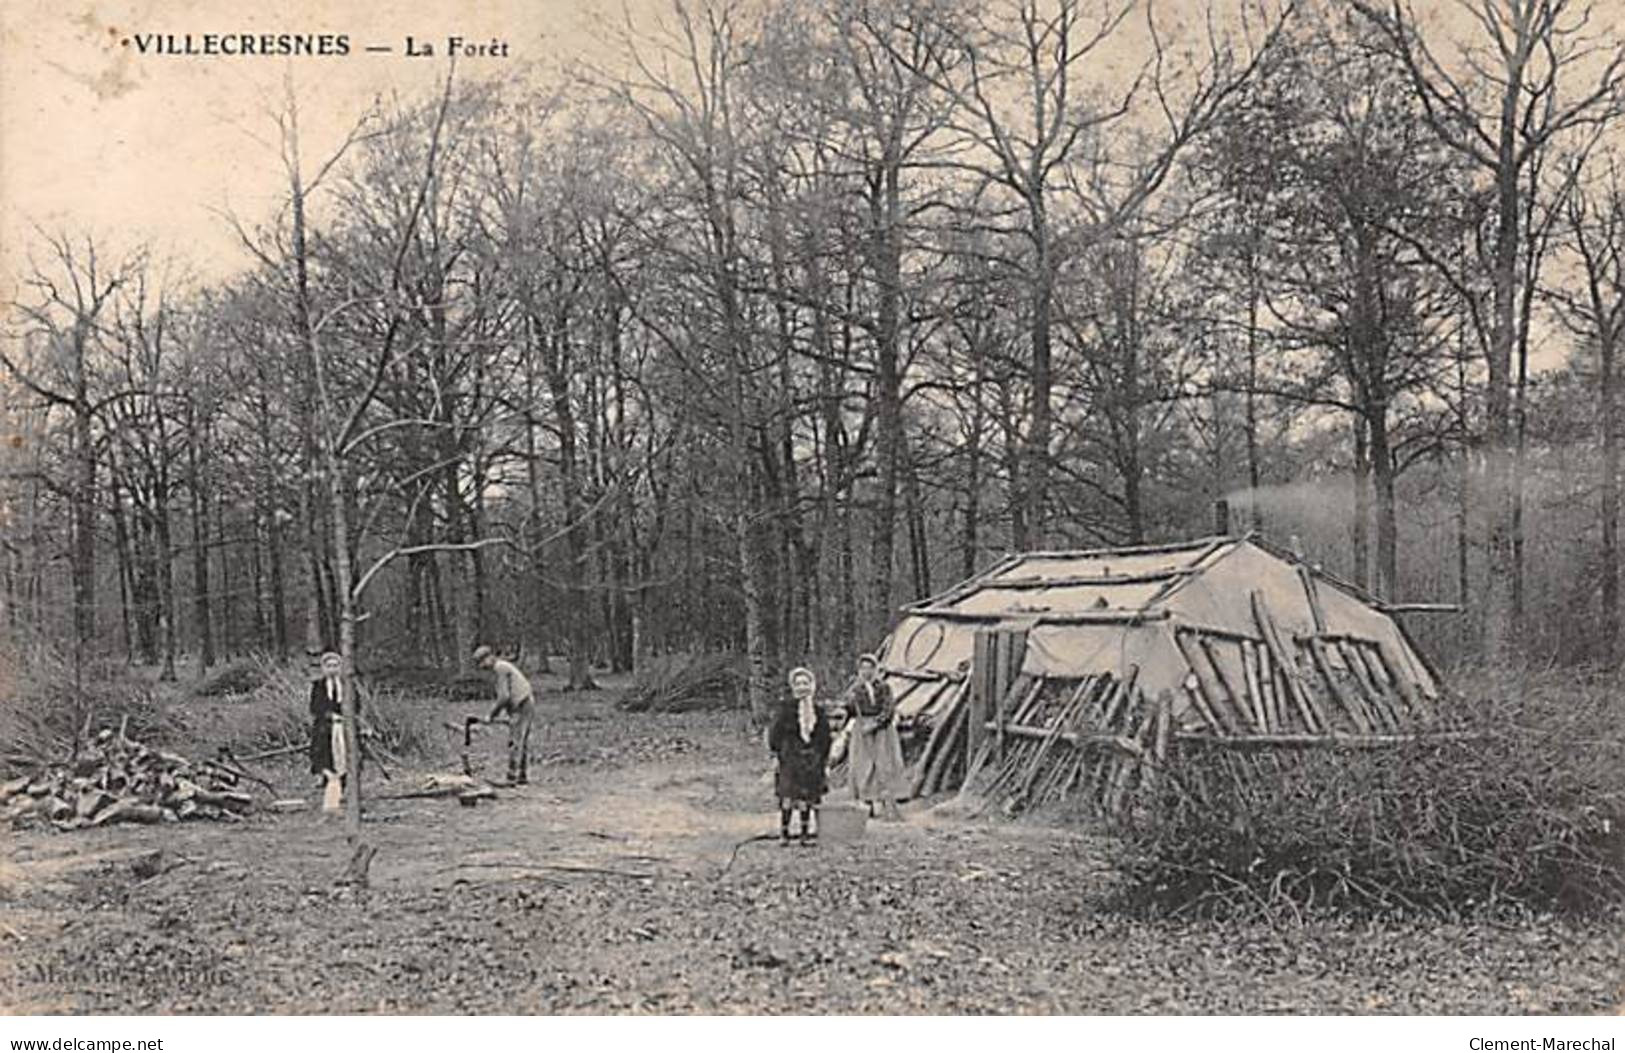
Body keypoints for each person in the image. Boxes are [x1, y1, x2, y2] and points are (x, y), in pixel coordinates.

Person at [769, 667, 833, 847]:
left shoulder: (818, 711)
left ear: (812, 686)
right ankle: (785, 833)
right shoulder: (785, 708)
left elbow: (825, 737)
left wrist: (824, 760)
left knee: (807, 797)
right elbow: (775, 733)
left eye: (805, 683)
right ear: (793, 687)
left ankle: (804, 834)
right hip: (790, 757)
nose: (802, 687)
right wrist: (775, 753)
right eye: (798, 684)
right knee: (788, 796)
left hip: (812, 759)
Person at [844, 653, 904, 820]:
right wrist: (849, 701)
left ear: (876, 669)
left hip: (882, 732)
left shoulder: (884, 687)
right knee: (864, 766)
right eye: (863, 668)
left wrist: (876, 724)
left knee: (884, 765)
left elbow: (889, 709)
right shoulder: (855, 689)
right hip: (862, 731)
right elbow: (849, 711)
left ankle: (887, 804)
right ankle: (866, 803)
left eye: (870, 667)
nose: (866, 671)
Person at [474, 644, 535, 786]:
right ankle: (522, 776)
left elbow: (504, 697)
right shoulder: (502, 667)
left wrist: (491, 715)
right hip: (522, 703)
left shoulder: (500, 668)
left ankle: (511, 777)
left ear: (490, 657)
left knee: (515, 741)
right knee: (520, 740)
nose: (482, 666)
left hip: (522, 704)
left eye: (483, 662)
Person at [308, 651, 358, 816]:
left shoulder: (347, 685)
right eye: (328, 666)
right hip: (325, 728)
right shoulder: (319, 686)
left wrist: (346, 714)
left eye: (335, 665)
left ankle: (345, 787)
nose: (332, 669)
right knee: (324, 755)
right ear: (323, 668)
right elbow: (314, 707)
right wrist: (328, 715)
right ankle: (328, 782)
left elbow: (356, 704)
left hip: (344, 726)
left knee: (346, 756)